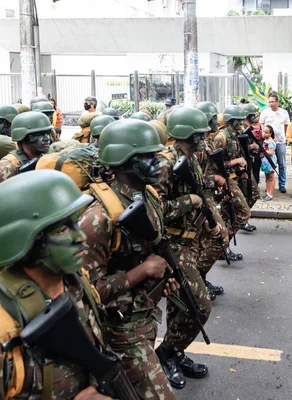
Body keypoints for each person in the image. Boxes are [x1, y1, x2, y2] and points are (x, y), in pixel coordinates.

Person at [0, 170, 116, 400]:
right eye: (61, 229)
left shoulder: (76, 284)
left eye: (75, 223)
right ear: (23, 244)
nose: (81, 236)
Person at [78, 119, 178, 398]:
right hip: (119, 329)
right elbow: (88, 293)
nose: (159, 162)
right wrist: (144, 271)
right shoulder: (98, 218)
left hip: (143, 315)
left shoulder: (148, 196)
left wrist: (160, 276)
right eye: (148, 156)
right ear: (125, 161)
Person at [155, 107, 223, 388]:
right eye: (199, 135)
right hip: (172, 244)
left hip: (190, 239)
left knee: (180, 305)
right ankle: (166, 352)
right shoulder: (164, 164)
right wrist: (191, 203)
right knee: (199, 306)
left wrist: (210, 218)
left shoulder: (189, 159)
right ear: (186, 135)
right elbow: (153, 210)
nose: (204, 140)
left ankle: (175, 352)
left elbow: (199, 189)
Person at [196, 101, 242, 263]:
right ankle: (200, 277)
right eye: (214, 118)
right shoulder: (200, 147)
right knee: (214, 238)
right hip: (201, 196)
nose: (218, 121)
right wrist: (214, 180)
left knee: (207, 239)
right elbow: (199, 176)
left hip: (210, 192)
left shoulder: (206, 143)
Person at [0, 111, 52, 194]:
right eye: (39, 134)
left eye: (48, 133)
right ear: (22, 137)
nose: (47, 138)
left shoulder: (48, 159)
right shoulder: (5, 168)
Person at [214, 105, 255, 233]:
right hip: (226, 179)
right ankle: (226, 239)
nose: (242, 122)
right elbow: (216, 166)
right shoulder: (221, 138)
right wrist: (236, 162)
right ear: (232, 121)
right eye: (239, 120)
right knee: (243, 212)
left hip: (237, 175)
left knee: (253, 195)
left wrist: (241, 169)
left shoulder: (236, 135)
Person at [260, 94, 290, 194]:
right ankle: (269, 184)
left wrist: (282, 135)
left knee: (282, 163)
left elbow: (286, 125)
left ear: (277, 102)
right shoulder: (265, 112)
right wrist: (267, 136)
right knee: (268, 163)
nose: (271, 104)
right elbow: (262, 124)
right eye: (269, 102)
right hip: (268, 142)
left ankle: (282, 184)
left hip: (280, 141)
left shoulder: (284, 113)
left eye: (273, 102)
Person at [242, 103, 263, 185]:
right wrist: (252, 146)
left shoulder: (248, 128)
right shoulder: (243, 129)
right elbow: (239, 147)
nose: (255, 117)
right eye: (254, 115)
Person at [261, 124, 277, 201]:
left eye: (266, 132)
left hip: (270, 161)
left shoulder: (271, 142)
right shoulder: (265, 141)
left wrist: (263, 151)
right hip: (265, 161)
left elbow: (271, 152)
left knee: (271, 177)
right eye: (263, 132)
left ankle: (271, 194)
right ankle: (268, 192)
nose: (264, 134)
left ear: (270, 133)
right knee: (267, 177)